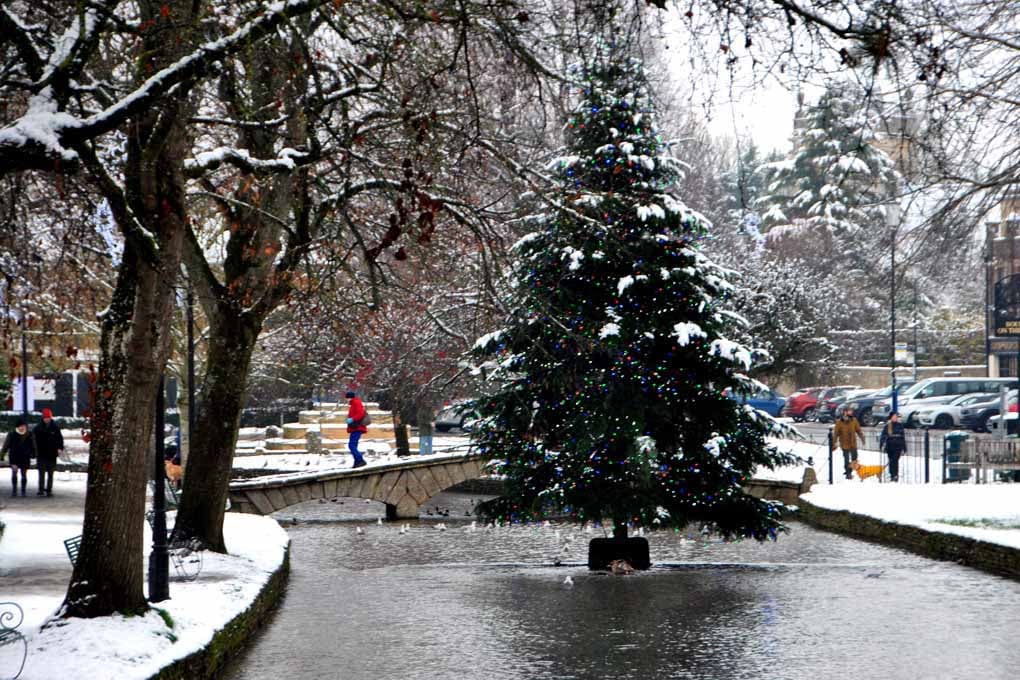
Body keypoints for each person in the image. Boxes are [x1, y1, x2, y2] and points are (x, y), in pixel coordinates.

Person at [1, 419, 36, 497]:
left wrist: (34, 454)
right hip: (14, 456)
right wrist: (2, 454)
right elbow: (6, 445)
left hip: (25, 456)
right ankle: (14, 490)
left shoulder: (29, 435)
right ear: (17, 427)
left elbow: (33, 445)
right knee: (14, 472)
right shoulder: (12, 434)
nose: (22, 428)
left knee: (24, 474)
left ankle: (23, 491)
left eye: (23, 426)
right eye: (20, 426)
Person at [33, 407, 64, 496]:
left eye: (48, 418)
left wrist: (59, 448)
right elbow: (34, 440)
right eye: (45, 418)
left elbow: (60, 439)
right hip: (41, 454)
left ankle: (49, 490)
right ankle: (41, 489)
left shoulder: (55, 428)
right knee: (41, 473)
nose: (47, 419)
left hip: (52, 454)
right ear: (43, 418)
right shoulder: (38, 428)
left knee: (51, 473)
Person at [832, 405, 865, 480]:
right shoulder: (839, 422)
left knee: (854, 458)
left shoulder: (854, 420)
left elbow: (858, 430)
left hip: (853, 443)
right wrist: (834, 443)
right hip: (844, 443)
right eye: (849, 411)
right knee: (846, 459)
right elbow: (836, 433)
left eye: (851, 411)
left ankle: (850, 470)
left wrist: (862, 437)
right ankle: (848, 473)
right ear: (845, 412)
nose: (851, 412)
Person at [879, 411, 907, 482]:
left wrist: (904, 447)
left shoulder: (900, 425)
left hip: (898, 446)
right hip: (890, 446)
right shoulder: (888, 426)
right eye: (894, 416)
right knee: (891, 461)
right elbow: (883, 435)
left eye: (896, 417)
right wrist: (882, 444)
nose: (895, 418)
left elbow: (903, 437)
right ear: (891, 417)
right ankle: (892, 474)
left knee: (895, 460)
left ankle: (895, 475)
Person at [345, 390, 368, 468]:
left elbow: (360, 413)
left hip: (357, 427)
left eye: (347, 398)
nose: (346, 400)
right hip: (355, 427)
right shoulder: (354, 403)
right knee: (354, 445)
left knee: (351, 445)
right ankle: (357, 462)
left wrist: (352, 419)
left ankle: (360, 460)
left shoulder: (356, 402)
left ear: (349, 397)